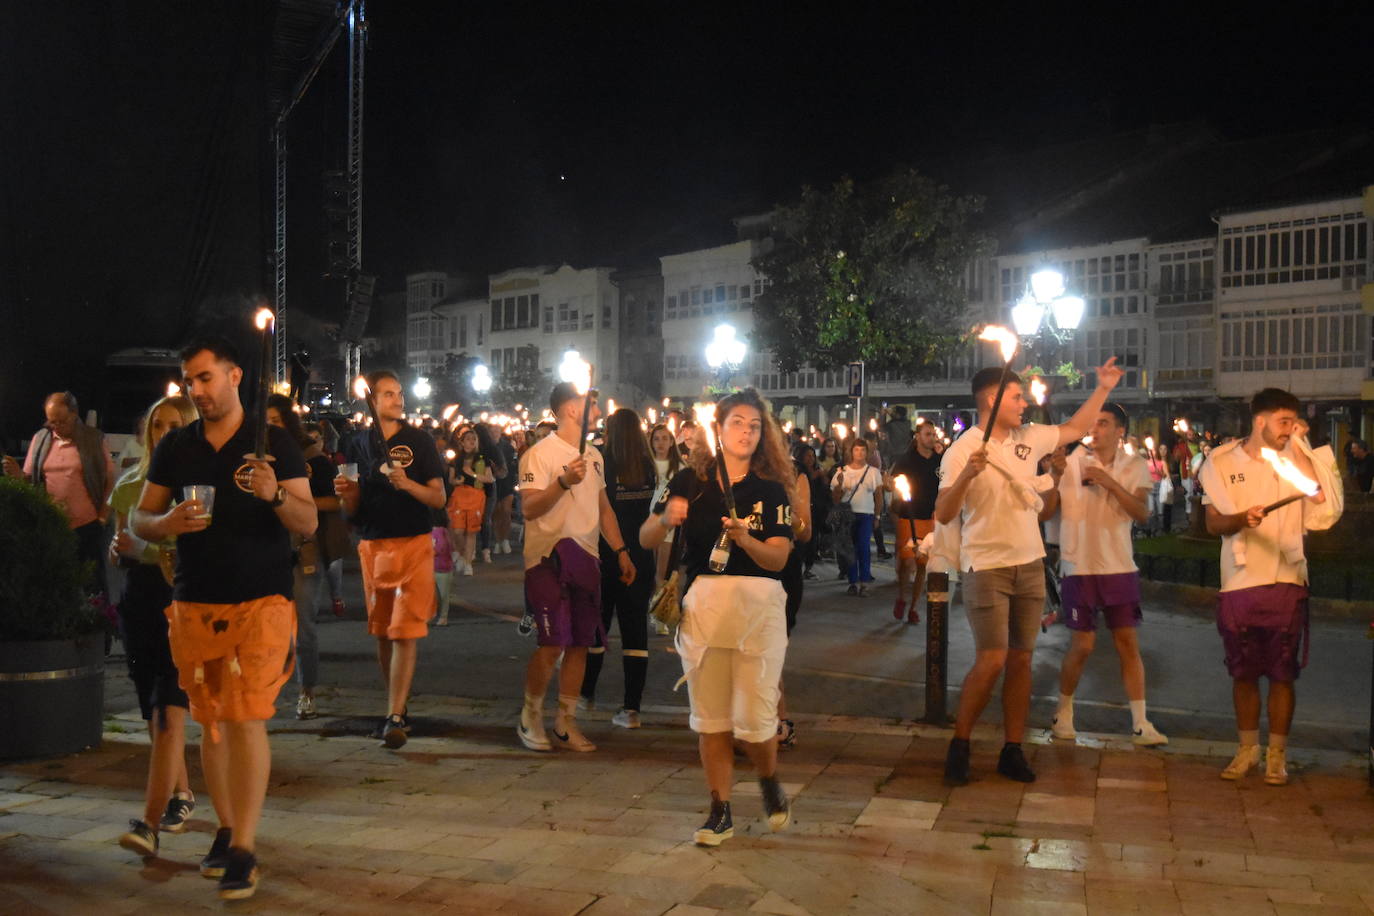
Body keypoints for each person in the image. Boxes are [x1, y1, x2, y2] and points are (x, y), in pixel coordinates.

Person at [131, 337, 315, 900]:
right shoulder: (178, 447)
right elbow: (140, 516)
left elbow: (306, 522)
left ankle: (243, 848)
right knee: (212, 719)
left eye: (206, 378)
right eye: (190, 380)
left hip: (261, 597)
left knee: (247, 716)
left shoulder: (274, 442)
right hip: (196, 599)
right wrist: (167, 526)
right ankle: (228, 825)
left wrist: (274, 492)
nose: (197, 390)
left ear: (235, 376)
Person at [936, 357, 1123, 786]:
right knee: (992, 659)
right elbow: (945, 513)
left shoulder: (1030, 438)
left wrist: (1104, 389)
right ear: (992, 399)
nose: (1024, 404)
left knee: (1022, 659)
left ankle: (1012, 748)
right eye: (1017, 397)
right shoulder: (962, 449)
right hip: (987, 565)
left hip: (1029, 563)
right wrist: (967, 474)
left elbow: (1075, 429)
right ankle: (960, 744)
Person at [639, 388, 795, 846]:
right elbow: (647, 536)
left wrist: (746, 541)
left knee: (756, 717)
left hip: (759, 610)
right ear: (719, 430)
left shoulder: (770, 489)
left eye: (754, 425)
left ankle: (768, 779)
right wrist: (667, 518)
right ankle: (719, 810)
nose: (747, 431)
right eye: (737, 423)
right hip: (706, 607)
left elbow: (779, 559)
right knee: (711, 718)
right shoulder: (692, 479)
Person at [1198, 388, 1340, 786]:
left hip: (1286, 577)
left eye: (1293, 422)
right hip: (1241, 580)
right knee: (1243, 672)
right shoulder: (1222, 462)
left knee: (1283, 673)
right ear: (1260, 420)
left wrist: (1305, 445)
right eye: (1283, 421)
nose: (1289, 429)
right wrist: (1242, 517)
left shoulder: (1297, 457)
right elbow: (1213, 524)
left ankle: (1277, 754)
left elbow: (1324, 506)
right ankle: (1247, 750)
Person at [517, 382, 636, 753]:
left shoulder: (595, 456)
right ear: (571, 410)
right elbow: (530, 508)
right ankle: (530, 715)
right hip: (548, 559)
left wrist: (620, 550)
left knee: (582, 643)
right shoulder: (539, 455)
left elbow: (602, 509)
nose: (598, 411)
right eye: (591, 404)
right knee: (553, 642)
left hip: (587, 559)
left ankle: (565, 722)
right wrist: (564, 481)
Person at [1040, 403, 1168, 747]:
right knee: (1082, 645)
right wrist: (1053, 476)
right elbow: (1046, 511)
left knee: (1127, 643)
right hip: (1078, 567)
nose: (1094, 430)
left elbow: (1142, 513)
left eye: (1104, 423)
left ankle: (1141, 722)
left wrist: (1110, 482)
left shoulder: (1134, 465)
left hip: (1119, 566)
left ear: (1120, 430)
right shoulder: (1071, 462)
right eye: (1092, 424)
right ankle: (1063, 714)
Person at [334, 370, 447, 749]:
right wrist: (347, 494)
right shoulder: (358, 443)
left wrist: (408, 484)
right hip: (373, 545)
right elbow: (352, 507)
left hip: (413, 543)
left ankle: (395, 715)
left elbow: (438, 498)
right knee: (383, 630)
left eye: (399, 393)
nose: (398, 399)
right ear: (371, 401)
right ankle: (395, 704)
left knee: (405, 630)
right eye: (388, 394)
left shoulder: (419, 441)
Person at [111, 394, 199, 858]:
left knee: (169, 703)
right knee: (151, 704)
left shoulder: (197, 485)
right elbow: (123, 535)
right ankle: (180, 793)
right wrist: (118, 548)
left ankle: (152, 820)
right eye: (156, 425)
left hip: (180, 596)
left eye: (173, 425)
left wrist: (144, 545)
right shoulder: (130, 482)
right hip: (140, 596)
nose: (162, 433)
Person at [579, 408, 657, 727]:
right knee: (635, 629)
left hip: (606, 552)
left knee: (597, 625)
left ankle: (585, 694)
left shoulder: (602, 464)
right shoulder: (648, 466)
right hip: (641, 554)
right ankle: (631, 707)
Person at [4, 391, 116, 597]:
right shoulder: (41, 439)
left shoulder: (93, 439)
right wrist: (17, 474)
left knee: (92, 585)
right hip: (52, 524)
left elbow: (111, 479)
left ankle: (99, 625)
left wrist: (102, 517)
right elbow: (29, 480)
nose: (56, 427)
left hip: (87, 525)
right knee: (56, 584)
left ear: (75, 414)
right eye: (51, 422)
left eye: (61, 421)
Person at [265, 395, 334, 720]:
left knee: (303, 627)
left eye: (276, 422)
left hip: (302, 549)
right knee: (266, 625)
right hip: (265, 549)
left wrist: (292, 501)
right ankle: (265, 689)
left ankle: (307, 691)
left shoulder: (312, 459)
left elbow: (334, 502)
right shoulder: (253, 458)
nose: (269, 429)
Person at [888, 421, 941, 623]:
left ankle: (913, 607)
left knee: (922, 565)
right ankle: (902, 596)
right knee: (908, 562)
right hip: (908, 517)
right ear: (918, 436)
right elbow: (893, 481)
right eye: (927, 434)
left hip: (930, 518)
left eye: (933, 434)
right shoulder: (906, 460)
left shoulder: (940, 459)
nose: (932, 438)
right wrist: (891, 485)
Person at [832, 439, 879, 596]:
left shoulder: (873, 472)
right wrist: (839, 485)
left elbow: (878, 496)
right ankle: (853, 582)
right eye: (857, 450)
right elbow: (835, 498)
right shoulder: (842, 471)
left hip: (866, 514)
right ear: (851, 452)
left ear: (867, 452)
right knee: (850, 549)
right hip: (847, 515)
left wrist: (877, 516)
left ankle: (864, 581)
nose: (860, 453)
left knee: (864, 547)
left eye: (863, 450)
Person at [446, 425, 493, 576]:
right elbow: (451, 479)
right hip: (459, 495)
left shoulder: (482, 458)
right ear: (462, 442)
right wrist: (456, 481)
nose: (471, 442)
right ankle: (460, 553)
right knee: (458, 530)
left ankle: (468, 563)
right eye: (468, 439)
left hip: (476, 495)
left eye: (474, 439)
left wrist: (472, 474)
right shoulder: (456, 459)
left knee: (471, 531)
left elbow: (489, 478)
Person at [648, 422, 682, 585]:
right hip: (649, 522)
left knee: (662, 574)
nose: (660, 443)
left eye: (664, 439)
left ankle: (661, 607)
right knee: (650, 571)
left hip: (669, 525)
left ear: (671, 442)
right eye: (656, 439)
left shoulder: (680, 468)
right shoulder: (647, 465)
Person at [797, 444, 830, 581]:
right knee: (801, 540)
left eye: (812, 456)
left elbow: (826, 486)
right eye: (807, 456)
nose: (810, 459)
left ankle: (808, 568)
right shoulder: (798, 470)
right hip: (802, 509)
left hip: (816, 510)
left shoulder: (819, 470)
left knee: (813, 540)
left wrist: (822, 476)